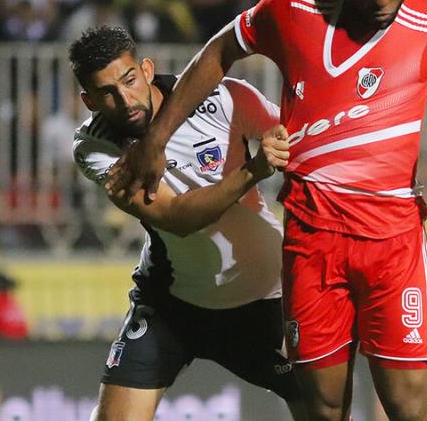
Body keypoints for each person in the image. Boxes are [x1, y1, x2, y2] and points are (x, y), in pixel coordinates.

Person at [105, 0, 427, 421]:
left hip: (393, 240)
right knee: (324, 407)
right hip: (312, 239)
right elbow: (218, 52)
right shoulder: (292, 7)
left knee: (407, 406)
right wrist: (157, 139)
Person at [68, 26, 305, 421]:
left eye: (129, 81)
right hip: (173, 304)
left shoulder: (224, 97)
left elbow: (299, 149)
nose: (125, 101)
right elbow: (177, 219)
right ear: (88, 100)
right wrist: (253, 170)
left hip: (263, 296)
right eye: (107, 93)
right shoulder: (94, 147)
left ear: (146, 69)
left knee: (325, 408)